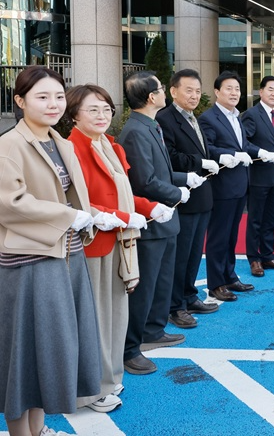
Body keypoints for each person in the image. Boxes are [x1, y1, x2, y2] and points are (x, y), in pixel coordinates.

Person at [0, 66, 101, 436]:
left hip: (66, 255)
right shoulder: (9, 144)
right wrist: (68, 215)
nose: (53, 104)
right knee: (24, 355)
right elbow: (9, 204)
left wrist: (85, 217)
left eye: (58, 96)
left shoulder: (61, 141)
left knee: (49, 350)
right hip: (29, 262)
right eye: (42, 97)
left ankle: (37, 430)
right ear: (20, 101)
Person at [66, 84, 171, 414]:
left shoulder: (108, 145)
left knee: (116, 314)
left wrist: (149, 207)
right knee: (95, 318)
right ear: (74, 115)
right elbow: (81, 203)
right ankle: (92, 388)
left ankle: (110, 378)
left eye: (106, 109)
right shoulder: (73, 148)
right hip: (92, 244)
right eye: (92, 110)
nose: (101, 115)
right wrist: (126, 215)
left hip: (120, 240)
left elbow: (123, 193)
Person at [118, 70, 195, 376]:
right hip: (152, 218)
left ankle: (153, 330)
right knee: (145, 285)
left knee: (160, 282)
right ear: (151, 97)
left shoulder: (149, 125)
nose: (165, 92)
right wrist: (178, 191)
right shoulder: (136, 131)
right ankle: (131, 346)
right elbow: (145, 180)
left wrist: (183, 179)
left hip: (165, 217)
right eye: (162, 89)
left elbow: (159, 172)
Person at [156, 69, 221, 329]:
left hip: (201, 194)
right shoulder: (165, 119)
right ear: (173, 91)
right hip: (182, 196)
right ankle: (175, 306)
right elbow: (169, 157)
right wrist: (200, 163)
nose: (194, 96)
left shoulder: (194, 118)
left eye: (197, 91)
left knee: (194, 253)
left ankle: (189, 295)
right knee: (180, 256)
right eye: (188, 90)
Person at [198, 71, 256, 303]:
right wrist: (232, 154)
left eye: (237, 89)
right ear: (217, 91)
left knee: (232, 236)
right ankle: (216, 283)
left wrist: (257, 151)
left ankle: (230, 275)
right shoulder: (209, 118)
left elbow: (244, 144)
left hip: (240, 184)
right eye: (229, 88)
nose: (234, 93)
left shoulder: (236, 117)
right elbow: (208, 148)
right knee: (218, 237)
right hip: (222, 187)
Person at [241, 76, 274, 278]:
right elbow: (244, 142)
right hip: (259, 177)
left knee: (271, 219)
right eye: (270, 89)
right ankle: (254, 258)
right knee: (256, 220)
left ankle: (268, 255)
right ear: (261, 92)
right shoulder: (251, 114)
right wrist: (260, 152)